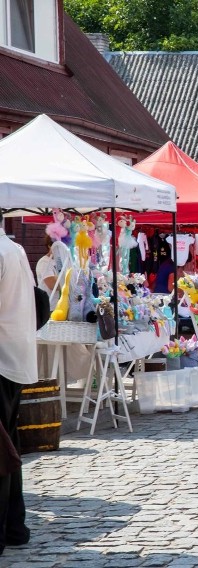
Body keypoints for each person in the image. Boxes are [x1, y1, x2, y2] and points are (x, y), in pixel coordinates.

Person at [0, 222, 37, 556]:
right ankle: (14, 526)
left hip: (1, 361)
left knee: (2, 453)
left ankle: (7, 529)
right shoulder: (16, 250)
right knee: (8, 449)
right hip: (14, 360)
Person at [35, 235, 60, 309]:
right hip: (50, 306)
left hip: (62, 307)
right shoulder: (44, 262)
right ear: (49, 246)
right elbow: (52, 284)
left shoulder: (62, 261)